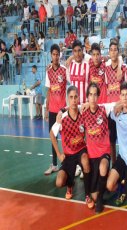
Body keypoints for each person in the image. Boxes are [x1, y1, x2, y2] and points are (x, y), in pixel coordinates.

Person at [50, 85, 92, 203]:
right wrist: (58, 154)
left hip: (81, 150)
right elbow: (52, 134)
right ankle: (70, 184)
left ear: (78, 98)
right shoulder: (62, 117)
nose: (74, 100)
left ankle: (88, 194)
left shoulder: (83, 113)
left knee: (85, 160)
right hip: (68, 155)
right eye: (71, 97)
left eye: (76, 97)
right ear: (68, 99)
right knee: (59, 182)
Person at [81, 82, 112, 213]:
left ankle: (100, 199)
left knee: (103, 166)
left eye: (95, 95)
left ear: (98, 96)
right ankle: (101, 189)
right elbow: (70, 108)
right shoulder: (83, 113)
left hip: (104, 153)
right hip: (92, 156)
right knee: (93, 194)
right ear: (87, 97)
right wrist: (61, 111)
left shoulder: (104, 109)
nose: (93, 98)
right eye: (90, 95)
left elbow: (119, 102)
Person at [44, 44, 68, 175]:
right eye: (53, 54)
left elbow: (72, 85)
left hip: (63, 111)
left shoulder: (64, 70)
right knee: (53, 137)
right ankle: (54, 164)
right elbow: (48, 91)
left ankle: (66, 164)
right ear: (51, 56)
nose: (56, 56)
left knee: (65, 138)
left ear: (60, 55)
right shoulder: (48, 71)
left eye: (57, 54)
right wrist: (47, 109)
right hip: (52, 110)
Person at [105, 41, 126, 163]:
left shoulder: (123, 68)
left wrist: (119, 64)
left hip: (121, 109)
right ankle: (114, 165)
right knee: (111, 140)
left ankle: (123, 165)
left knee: (123, 140)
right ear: (109, 52)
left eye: (115, 49)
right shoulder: (106, 68)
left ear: (118, 52)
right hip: (111, 111)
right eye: (111, 49)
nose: (113, 52)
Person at [68, 40, 90, 104]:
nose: (77, 54)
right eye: (75, 51)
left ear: (82, 50)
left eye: (79, 50)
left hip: (85, 104)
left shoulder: (88, 64)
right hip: (73, 105)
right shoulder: (70, 65)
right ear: (73, 52)